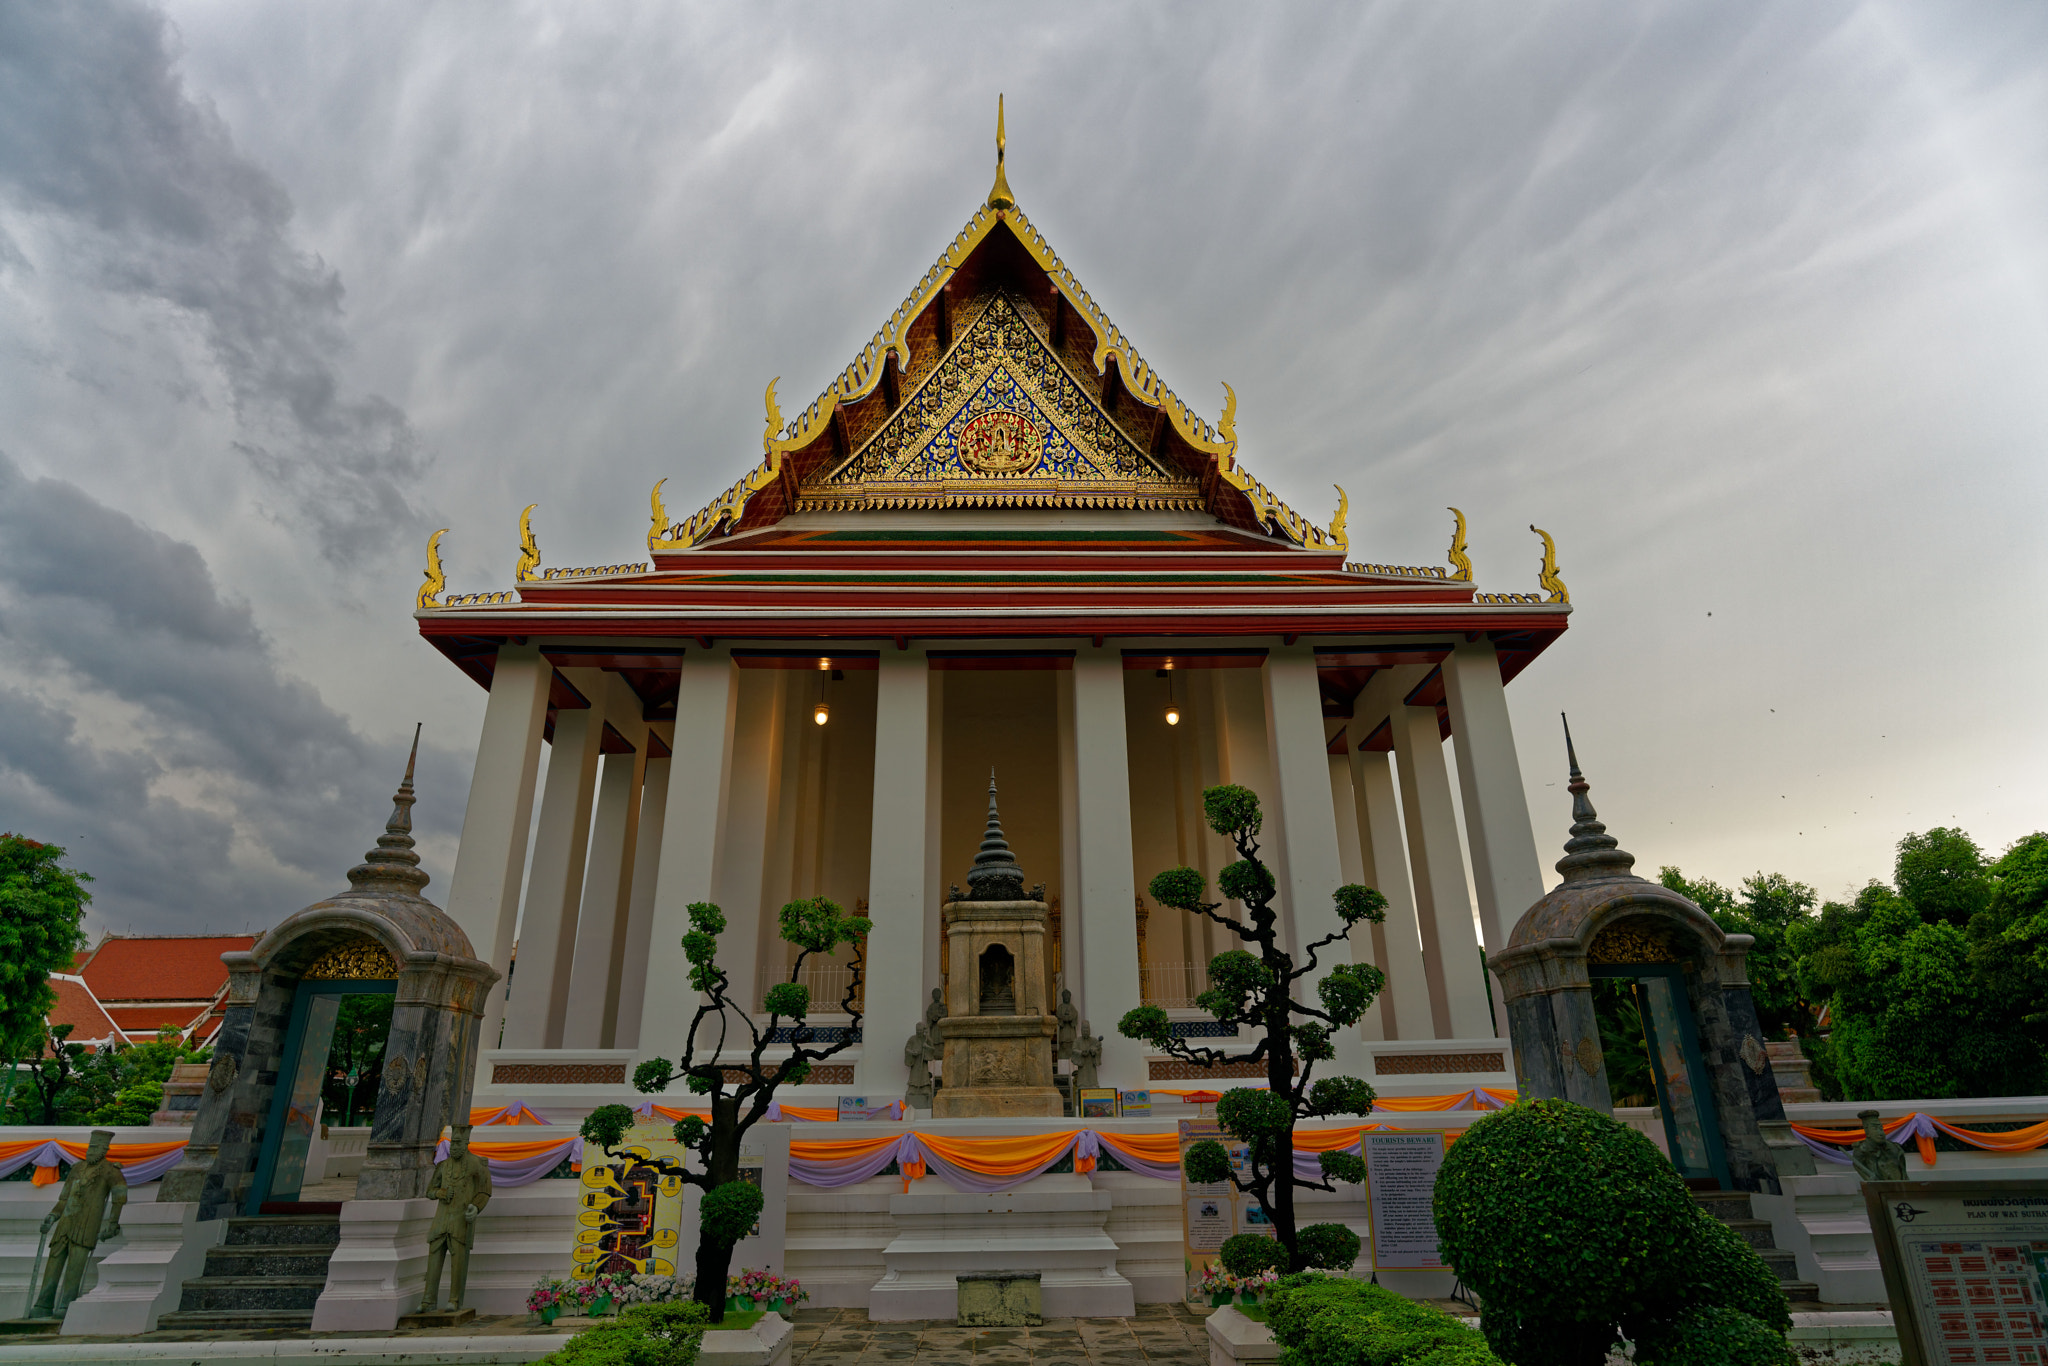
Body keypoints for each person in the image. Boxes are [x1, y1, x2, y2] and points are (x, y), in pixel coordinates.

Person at [30, 1130, 126, 1320]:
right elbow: (64, 1199)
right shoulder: (76, 1169)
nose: (91, 1150)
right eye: (90, 1146)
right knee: (53, 1264)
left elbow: (119, 1197)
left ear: (104, 1149)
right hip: (65, 1223)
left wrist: (113, 1223)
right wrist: (52, 1216)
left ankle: (66, 1304)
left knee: (75, 1265)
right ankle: (43, 1303)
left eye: (96, 1147)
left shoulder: (110, 1171)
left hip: (86, 1225)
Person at [420, 1126, 493, 1312]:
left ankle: (454, 1299)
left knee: (459, 1261)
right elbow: (429, 1191)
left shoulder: (477, 1164)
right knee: (434, 1259)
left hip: (461, 1220)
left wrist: (476, 1207)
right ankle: (428, 1299)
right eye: (453, 1143)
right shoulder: (443, 1166)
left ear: (467, 1143)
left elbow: (485, 1191)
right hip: (441, 1219)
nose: (454, 1148)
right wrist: (440, 1192)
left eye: (459, 1143)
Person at [1850, 1109, 1906, 1183]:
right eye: (1875, 1129)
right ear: (1867, 1131)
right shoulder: (1861, 1152)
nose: (1880, 1133)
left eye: (1881, 1128)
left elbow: (1904, 1173)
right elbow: (1865, 1175)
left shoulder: (1894, 1148)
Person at [1071, 1023, 1102, 1092]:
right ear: (1081, 1031)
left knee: (1092, 1076)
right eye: (1084, 1031)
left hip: (1091, 1062)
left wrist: (1094, 1051)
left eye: (1087, 1030)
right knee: (1083, 1075)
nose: (1086, 1032)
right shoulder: (1077, 1040)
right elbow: (1074, 1050)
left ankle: (1093, 1084)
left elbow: (1098, 1048)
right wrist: (1081, 1052)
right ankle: (1082, 1084)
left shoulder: (1094, 1040)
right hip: (1083, 1062)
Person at [1055, 988, 1079, 1061]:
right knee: (1063, 1046)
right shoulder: (1060, 1007)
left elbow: (1075, 1015)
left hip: (1071, 1031)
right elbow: (1058, 1017)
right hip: (1064, 1031)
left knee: (1072, 1045)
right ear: (1063, 997)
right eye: (1065, 996)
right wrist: (1064, 1019)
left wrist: (1069, 1018)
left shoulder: (1072, 1007)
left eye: (1068, 996)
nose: (1066, 998)